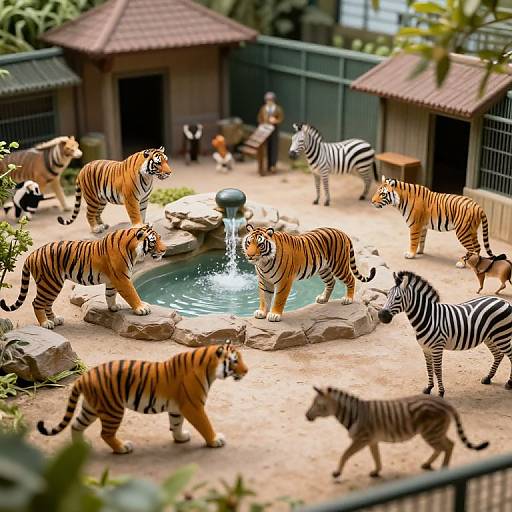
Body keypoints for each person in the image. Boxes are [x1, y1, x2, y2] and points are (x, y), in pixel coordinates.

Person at [257, 92, 284, 173]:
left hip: (274, 130)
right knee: (267, 147)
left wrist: (276, 121)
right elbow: (259, 118)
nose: (269, 102)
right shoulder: (263, 109)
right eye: (267, 100)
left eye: (270, 100)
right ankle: (267, 165)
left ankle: (273, 165)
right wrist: (262, 124)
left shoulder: (277, 109)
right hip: (265, 130)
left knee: (274, 147)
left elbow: (281, 118)